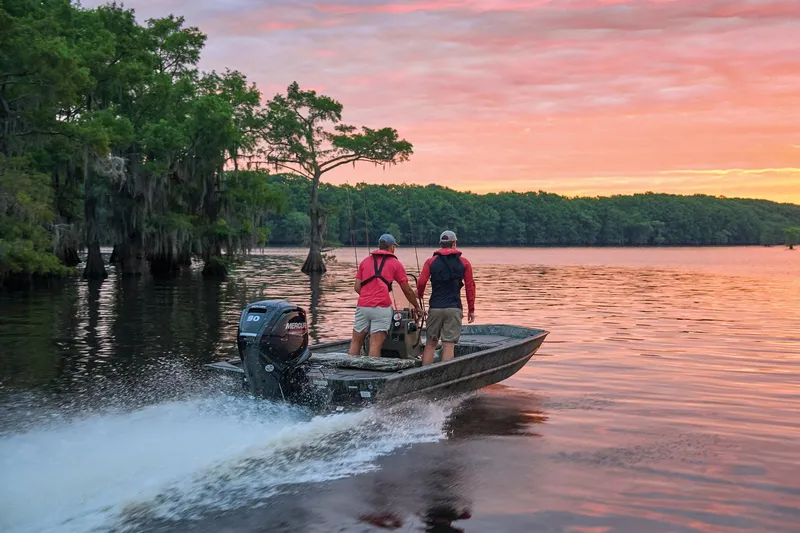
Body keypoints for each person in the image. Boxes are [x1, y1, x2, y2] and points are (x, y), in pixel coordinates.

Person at [348, 233, 424, 357]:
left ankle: (350, 370)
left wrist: (368, 296)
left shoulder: (365, 262)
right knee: (375, 344)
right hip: (382, 308)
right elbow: (407, 290)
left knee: (355, 343)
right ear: (392, 247)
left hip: (362, 306)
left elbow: (357, 287)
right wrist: (417, 307)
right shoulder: (395, 263)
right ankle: (373, 374)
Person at [416, 230, 476, 366]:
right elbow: (470, 287)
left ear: (440, 244)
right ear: (454, 244)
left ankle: (424, 375)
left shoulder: (431, 262)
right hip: (454, 307)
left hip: (435, 307)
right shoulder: (464, 263)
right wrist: (471, 309)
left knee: (430, 343)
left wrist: (419, 295)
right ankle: (444, 376)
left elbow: (421, 282)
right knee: (448, 344)